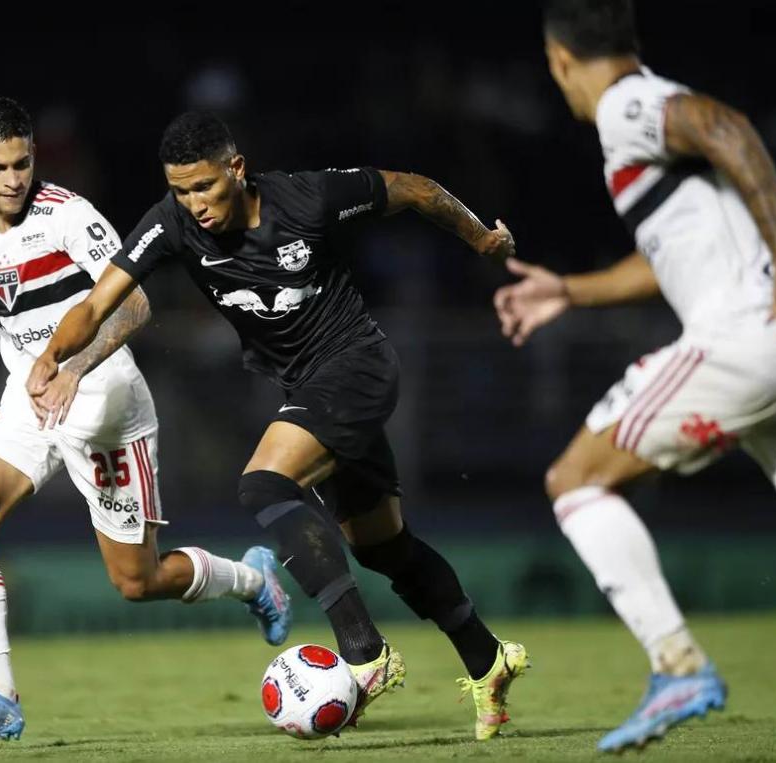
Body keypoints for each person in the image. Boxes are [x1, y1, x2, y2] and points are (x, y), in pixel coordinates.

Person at [26, 111, 526, 739]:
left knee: (263, 484)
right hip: (309, 389)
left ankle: (365, 653)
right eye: (180, 190)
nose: (194, 205)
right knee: (381, 548)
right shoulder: (172, 225)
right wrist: (53, 357)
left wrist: (480, 238)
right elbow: (99, 303)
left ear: (236, 169)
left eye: (204, 187)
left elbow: (416, 189)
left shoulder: (307, 198)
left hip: (357, 366)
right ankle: (488, 659)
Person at [0, 97, 291, 742]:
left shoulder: (69, 217)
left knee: (136, 582)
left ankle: (256, 581)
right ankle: (0, 696)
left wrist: (74, 365)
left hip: (108, 403)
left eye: (23, 163)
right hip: (29, 400)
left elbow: (136, 306)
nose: (14, 179)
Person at [494, 0, 776, 752]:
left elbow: (729, 127)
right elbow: (671, 256)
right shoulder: (645, 114)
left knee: (576, 479)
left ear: (559, 61)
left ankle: (676, 663)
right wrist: (570, 289)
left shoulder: (626, 105)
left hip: (749, 337)